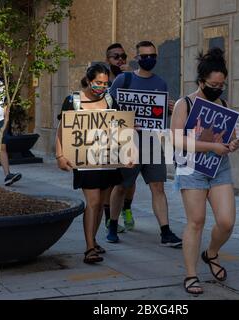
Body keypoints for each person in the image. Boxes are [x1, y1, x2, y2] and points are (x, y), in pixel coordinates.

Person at [171, 48, 239, 295]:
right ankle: (191, 275)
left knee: (226, 221)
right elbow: (177, 141)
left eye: (222, 84)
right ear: (201, 81)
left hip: (219, 168)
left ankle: (211, 253)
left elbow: (231, 135)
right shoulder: (185, 104)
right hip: (192, 168)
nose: (218, 88)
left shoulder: (223, 104)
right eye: (213, 84)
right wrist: (212, 145)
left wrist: (233, 143)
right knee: (196, 221)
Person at [107, 41, 182, 248]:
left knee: (158, 186)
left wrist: (171, 108)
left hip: (154, 140)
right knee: (122, 186)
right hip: (128, 140)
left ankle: (165, 232)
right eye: (145, 56)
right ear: (137, 58)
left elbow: (161, 113)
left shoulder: (161, 83)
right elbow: (108, 109)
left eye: (153, 56)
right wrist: (128, 123)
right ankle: (112, 225)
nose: (149, 59)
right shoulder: (124, 79)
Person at [55, 63, 124, 264]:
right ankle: (89, 248)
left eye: (105, 83)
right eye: (98, 82)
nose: (102, 86)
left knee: (102, 203)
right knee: (92, 202)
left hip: (108, 160)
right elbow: (61, 131)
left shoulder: (110, 99)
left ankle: (93, 240)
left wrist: (129, 152)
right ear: (88, 79)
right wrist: (60, 156)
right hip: (85, 161)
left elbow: (119, 129)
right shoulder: (73, 101)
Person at [104, 43, 136, 233]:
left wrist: (131, 76)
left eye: (123, 56)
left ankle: (126, 209)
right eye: (116, 57)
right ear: (108, 60)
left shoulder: (132, 77)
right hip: (110, 135)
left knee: (129, 180)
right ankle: (109, 217)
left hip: (131, 135)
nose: (120, 60)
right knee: (111, 180)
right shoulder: (103, 80)